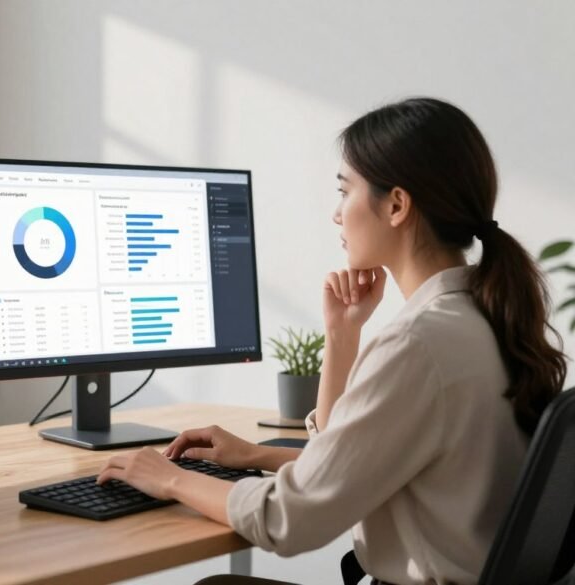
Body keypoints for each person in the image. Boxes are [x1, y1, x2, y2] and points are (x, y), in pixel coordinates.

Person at [96, 98, 568, 584]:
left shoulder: (417, 344)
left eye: (345, 192)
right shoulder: (483, 316)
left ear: (397, 205)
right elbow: (353, 463)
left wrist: (170, 478)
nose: (336, 214)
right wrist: (341, 340)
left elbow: (289, 520)